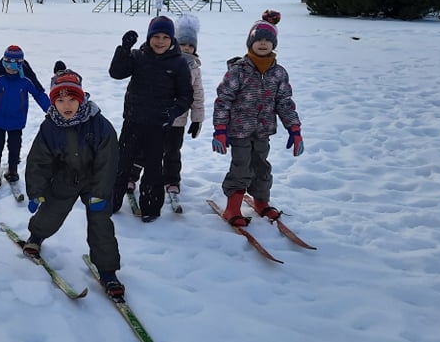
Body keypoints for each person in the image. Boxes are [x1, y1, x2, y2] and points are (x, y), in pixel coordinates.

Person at [23, 67, 124, 298]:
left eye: (72, 99)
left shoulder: (99, 124)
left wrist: (100, 191)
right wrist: (36, 191)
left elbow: (108, 161)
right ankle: (36, 236)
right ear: (53, 102)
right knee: (51, 211)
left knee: (101, 223)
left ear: (81, 99)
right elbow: (38, 160)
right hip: (65, 177)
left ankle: (108, 271)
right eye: (60, 100)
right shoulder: (50, 126)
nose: (66, 105)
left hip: (94, 180)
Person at [212, 19, 303, 225]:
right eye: (258, 39)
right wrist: (220, 128)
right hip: (239, 130)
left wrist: (294, 129)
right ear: (250, 43)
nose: (263, 43)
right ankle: (233, 208)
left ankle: (261, 201)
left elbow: (285, 102)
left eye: (267, 40)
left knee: (262, 167)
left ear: (274, 44)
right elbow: (223, 99)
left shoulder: (279, 73)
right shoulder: (239, 70)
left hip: (263, 131)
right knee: (241, 166)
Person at [108, 16, 194, 222]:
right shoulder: (138, 56)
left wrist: (172, 113)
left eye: (165, 37)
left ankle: (151, 207)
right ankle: (111, 201)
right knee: (122, 163)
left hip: (158, 125)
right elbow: (116, 73)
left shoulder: (179, 63)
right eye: (156, 36)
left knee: (154, 168)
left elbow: (186, 96)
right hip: (133, 121)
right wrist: (124, 49)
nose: (160, 41)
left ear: (172, 39)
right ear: (149, 37)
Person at [126, 15, 205, 196]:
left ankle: (172, 180)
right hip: (156, 118)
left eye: (190, 45)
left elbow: (197, 95)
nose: (186, 48)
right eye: (183, 44)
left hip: (178, 121)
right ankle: (131, 177)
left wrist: (197, 119)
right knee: (143, 150)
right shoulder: (167, 61)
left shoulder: (194, 68)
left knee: (172, 152)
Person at [0, 45, 49, 188]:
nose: (10, 69)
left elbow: (38, 93)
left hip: (16, 121)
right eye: (7, 65)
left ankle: (12, 170)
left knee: (15, 146)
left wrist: (50, 110)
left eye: (14, 66)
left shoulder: (26, 77)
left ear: (20, 65)